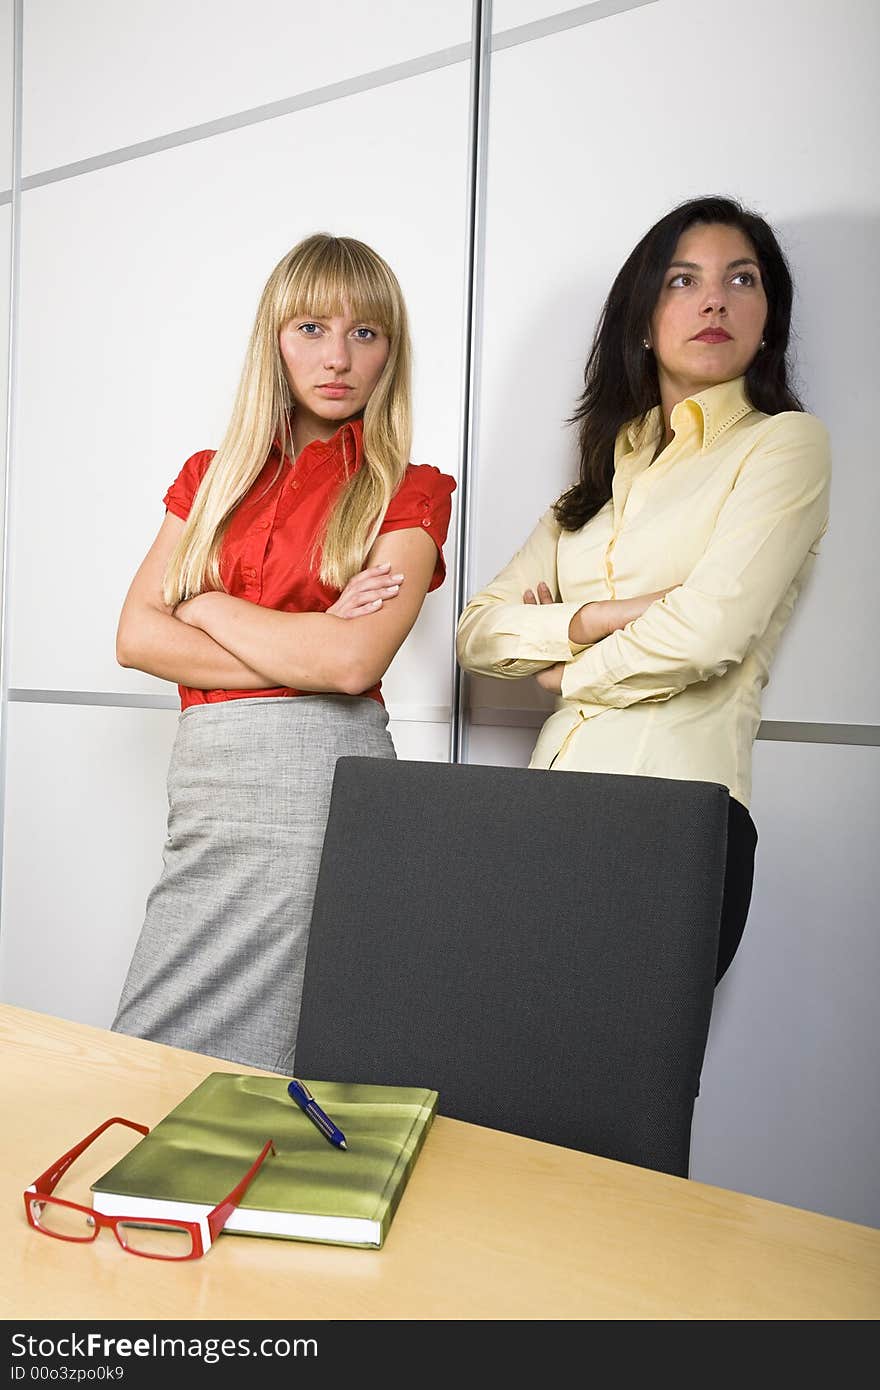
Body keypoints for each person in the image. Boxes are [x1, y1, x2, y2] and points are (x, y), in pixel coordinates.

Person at [455, 195, 830, 984]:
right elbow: (477, 636)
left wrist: (567, 672)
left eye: (743, 278)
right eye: (683, 280)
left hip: (677, 817)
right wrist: (607, 615)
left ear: (770, 316)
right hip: (547, 807)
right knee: (514, 1080)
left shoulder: (783, 446)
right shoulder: (600, 476)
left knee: (623, 1098)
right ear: (643, 316)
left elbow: (707, 634)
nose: (715, 299)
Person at [112, 231, 456, 1071]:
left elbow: (349, 667)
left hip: (325, 788)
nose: (337, 356)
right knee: (152, 1045)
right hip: (210, 784)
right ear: (273, 339)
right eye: (310, 329)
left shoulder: (412, 490)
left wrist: (206, 601)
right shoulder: (208, 478)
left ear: (390, 354)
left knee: (302, 1049)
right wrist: (308, 637)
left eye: (365, 334)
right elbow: (135, 638)